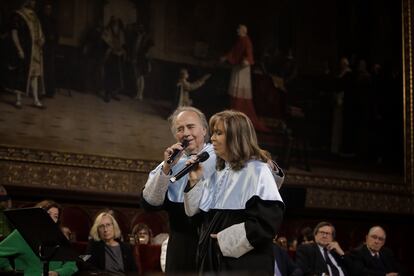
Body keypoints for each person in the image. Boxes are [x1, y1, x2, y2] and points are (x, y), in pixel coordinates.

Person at [183, 110, 285, 274]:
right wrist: (194, 181)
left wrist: (224, 241)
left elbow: (266, 224)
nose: (213, 138)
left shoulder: (257, 171)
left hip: (243, 264)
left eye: (219, 133)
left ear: (236, 137)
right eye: (213, 133)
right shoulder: (219, 172)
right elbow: (194, 216)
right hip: (213, 262)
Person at [140, 106, 217, 273]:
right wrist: (167, 167)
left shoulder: (220, 158)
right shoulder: (172, 160)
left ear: (204, 130)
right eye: (180, 129)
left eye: (190, 126)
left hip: (211, 246)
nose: (185, 133)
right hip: (180, 248)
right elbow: (150, 202)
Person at [0, 199, 78, 275]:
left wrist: (57, 273)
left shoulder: (59, 236)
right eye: (48, 214)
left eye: (55, 216)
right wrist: (9, 269)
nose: (51, 219)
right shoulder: (22, 234)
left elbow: (71, 265)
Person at [220, 24, 269, 132]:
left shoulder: (246, 41)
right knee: (235, 92)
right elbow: (234, 52)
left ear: (243, 31)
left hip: (243, 69)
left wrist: (246, 60)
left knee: (240, 93)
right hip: (238, 67)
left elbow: (249, 55)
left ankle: (238, 118)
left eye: (239, 29)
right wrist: (226, 57)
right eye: (237, 29)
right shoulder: (240, 40)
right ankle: (234, 116)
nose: (237, 30)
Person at [8, 0, 45, 108]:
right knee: (20, 74)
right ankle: (18, 100)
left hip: (35, 51)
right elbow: (14, 33)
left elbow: (40, 33)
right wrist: (19, 49)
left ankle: (36, 100)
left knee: (35, 75)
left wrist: (42, 40)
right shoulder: (17, 15)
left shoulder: (35, 17)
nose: (34, 2)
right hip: (24, 50)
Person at [102, 16, 126, 102]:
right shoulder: (107, 31)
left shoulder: (121, 33)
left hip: (118, 56)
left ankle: (113, 92)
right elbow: (106, 42)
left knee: (117, 76)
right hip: (110, 56)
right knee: (109, 74)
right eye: (114, 23)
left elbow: (122, 44)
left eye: (117, 24)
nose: (116, 26)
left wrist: (121, 51)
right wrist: (111, 48)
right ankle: (107, 93)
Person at [39, 2, 58, 98]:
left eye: (49, 9)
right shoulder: (40, 20)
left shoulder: (53, 21)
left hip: (51, 48)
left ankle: (50, 91)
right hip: (43, 47)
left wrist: (53, 38)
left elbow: (56, 34)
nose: (48, 10)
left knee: (50, 70)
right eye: (46, 8)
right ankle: (42, 91)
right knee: (43, 69)